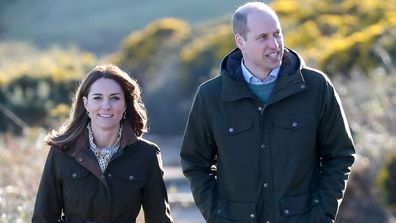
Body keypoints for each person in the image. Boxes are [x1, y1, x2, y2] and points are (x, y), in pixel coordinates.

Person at [180, 2, 355, 223]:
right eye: (262, 37)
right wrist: (217, 215)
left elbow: (340, 155)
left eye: (277, 34)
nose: (274, 44)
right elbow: (195, 162)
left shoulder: (316, 87)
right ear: (240, 42)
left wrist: (322, 215)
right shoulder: (210, 96)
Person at [32, 64, 173, 223]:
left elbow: (159, 219)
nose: (106, 106)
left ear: (125, 103)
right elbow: (43, 218)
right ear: (86, 103)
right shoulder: (62, 152)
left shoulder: (146, 155)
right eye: (97, 98)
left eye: (114, 98)